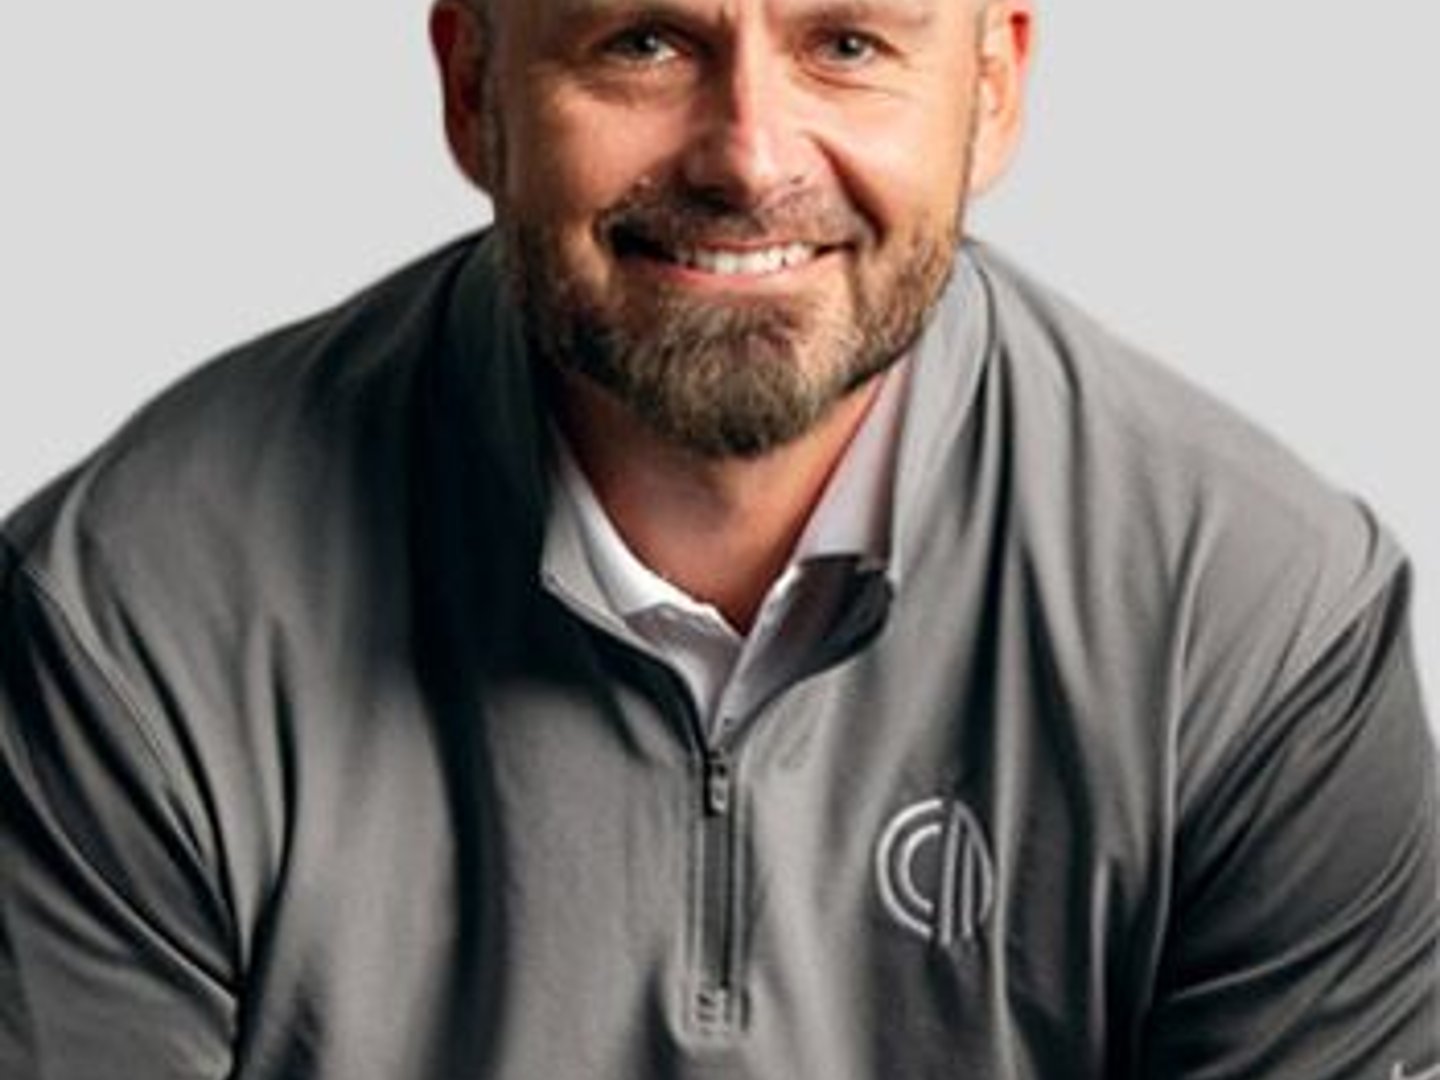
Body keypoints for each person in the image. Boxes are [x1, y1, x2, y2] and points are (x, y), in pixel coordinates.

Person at [1, 0, 1436, 1076]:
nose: (750, 157)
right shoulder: (129, 620)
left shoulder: (1259, 627)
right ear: (472, 86)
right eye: (643, 41)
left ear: (993, 88)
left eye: (848, 44)